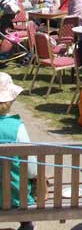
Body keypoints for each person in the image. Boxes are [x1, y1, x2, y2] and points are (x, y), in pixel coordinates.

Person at [0, 73, 39, 230]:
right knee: (24, 182)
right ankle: (26, 224)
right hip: (16, 198)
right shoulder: (16, 128)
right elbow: (31, 170)